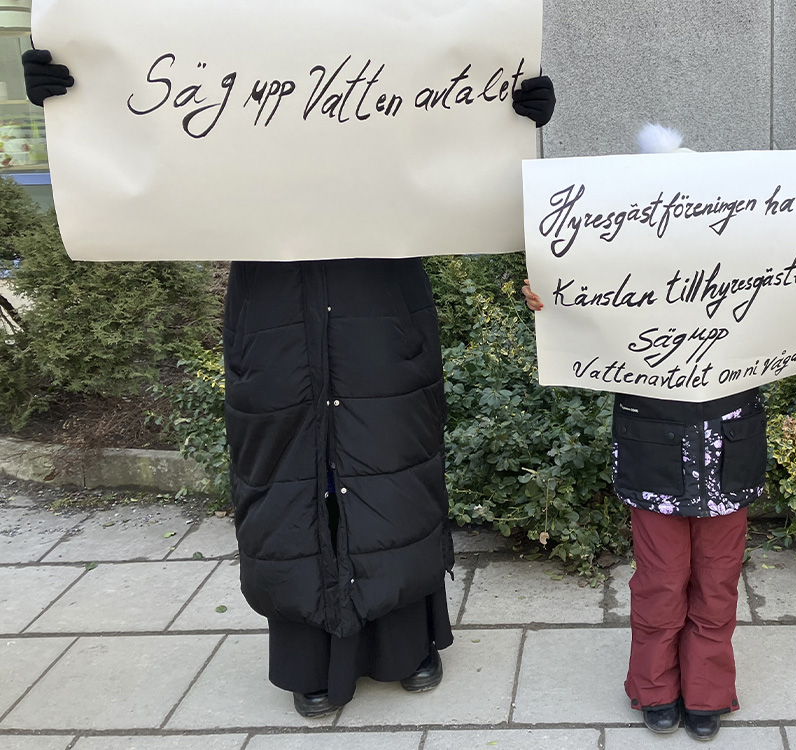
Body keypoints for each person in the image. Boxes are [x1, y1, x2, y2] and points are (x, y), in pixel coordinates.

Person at [24, 46, 555, 717]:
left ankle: (404, 644)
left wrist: (508, 120)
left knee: (387, 457)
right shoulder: (235, 36)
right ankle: (313, 657)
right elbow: (164, 137)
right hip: (273, 300)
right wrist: (81, 105)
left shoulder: (386, 30)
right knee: (292, 473)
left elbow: (442, 135)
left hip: (379, 290)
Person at [523, 124, 796, 741]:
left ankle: (706, 689)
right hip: (655, 452)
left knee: (718, 580)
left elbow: (791, 284)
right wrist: (552, 302)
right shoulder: (626, 264)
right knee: (661, 580)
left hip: (731, 449)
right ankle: (654, 688)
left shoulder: (749, 264)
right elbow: (584, 296)